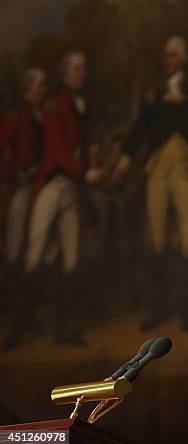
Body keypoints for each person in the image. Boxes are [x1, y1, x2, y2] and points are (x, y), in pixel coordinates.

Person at [111, 36, 188, 338]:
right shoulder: (153, 95)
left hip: (183, 170)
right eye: (166, 56)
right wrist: (123, 162)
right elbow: (140, 130)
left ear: (183, 59)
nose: (170, 61)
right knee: (157, 240)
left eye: (175, 56)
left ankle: (187, 312)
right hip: (157, 172)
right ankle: (160, 307)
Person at [12, 52, 104, 348]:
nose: (82, 73)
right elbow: (55, 150)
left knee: (71, 258)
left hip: (71, 190)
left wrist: (88, 160)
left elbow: (79, 144)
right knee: (34, 255)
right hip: (52, 186)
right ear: (66, 72)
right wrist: (84, 171)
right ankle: (18, 326)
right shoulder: (54, 105)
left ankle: (65, 328)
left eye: (84, 68)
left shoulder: (80, 104)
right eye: (77, 68)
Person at [0, 69, 47, 349]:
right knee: (19, 255)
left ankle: (26, 315)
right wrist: (13, 174)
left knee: (38, 255)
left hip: (39, 190)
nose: (42, 90)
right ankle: (18, 320)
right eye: (39, 85)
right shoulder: (18, 116)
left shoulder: (43, 115)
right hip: (23, 190)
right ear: (28, 88)